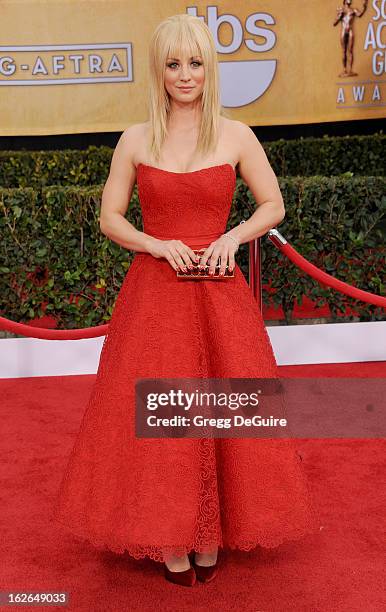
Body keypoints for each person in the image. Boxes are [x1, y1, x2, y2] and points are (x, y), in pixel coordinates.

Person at [52, 14, 321, 587]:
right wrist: (155, 243)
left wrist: (232, 237)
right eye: (173, 63)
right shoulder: (135, 137)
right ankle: (172, 534)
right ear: (159, 68)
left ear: (210, 67)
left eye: (195, 62)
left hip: (220, 296)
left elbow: (272, 205)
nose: (185, 75)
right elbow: (109, 216)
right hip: (155, 298)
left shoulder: (236, 134)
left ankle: (209, 531)